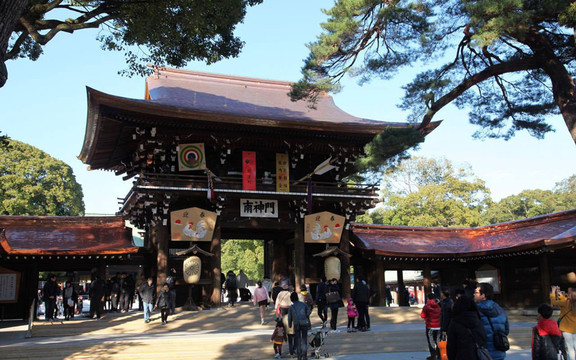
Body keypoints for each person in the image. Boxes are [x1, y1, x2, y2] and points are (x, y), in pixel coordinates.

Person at [474, 282, 509, 360]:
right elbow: (506, 331)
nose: (474, 294)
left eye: (476, 292)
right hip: (499, 350)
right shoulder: (501, 310)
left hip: (483, 353)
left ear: (483, 295)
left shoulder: (476, 311)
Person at [447, 295, 488, 360]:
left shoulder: (455, 323)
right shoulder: (478, 320)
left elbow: (451, 347)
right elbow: (484, 338)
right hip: (477, 356)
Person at [551, 286, 576, 360]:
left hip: (566, 328)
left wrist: (553, 292)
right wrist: (560, 294)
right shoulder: (567, 302)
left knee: (570, 347)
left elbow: (553, 302)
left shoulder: (565, 303)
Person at [288, 291, 311, 360]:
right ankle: (305, 355)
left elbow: (290, 317)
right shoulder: (303, 304)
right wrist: (306, 316)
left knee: (298, 340)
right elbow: (308, 311)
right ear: (297, 298)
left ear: (291, 299)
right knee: (304, 339)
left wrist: (289, 325)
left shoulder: (291, 307)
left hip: (296, 324)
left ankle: (299, 355)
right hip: (304, 323)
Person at [421, 293, 441, 360]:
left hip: (430, 326)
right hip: (438, 326)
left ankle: (433, 355)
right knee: (438, 341)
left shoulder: (426, 306)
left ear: (428, 298)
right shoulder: (439, 305)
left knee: (431, 341)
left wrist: (427, 319)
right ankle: (439, 355)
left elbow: (422, 315)